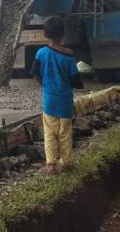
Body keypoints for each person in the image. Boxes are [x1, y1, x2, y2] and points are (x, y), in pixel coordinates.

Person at [31, 17, 83, 174]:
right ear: (63, 34)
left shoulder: (41, 53)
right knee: (65, 132)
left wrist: (45, 85)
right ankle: (66, 162)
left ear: (45, 34)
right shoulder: (69, 56)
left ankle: (51, 165)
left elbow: (35, 74)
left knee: (50, 133)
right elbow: (76, 80)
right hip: (65, 101)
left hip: (49, 101)